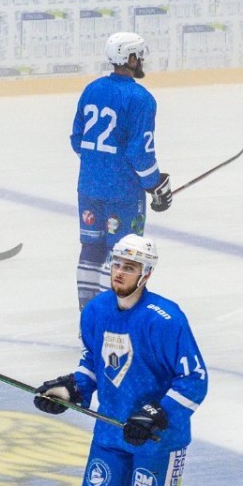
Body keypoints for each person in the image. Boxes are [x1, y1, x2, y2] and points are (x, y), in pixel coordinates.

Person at [33, 235, 206, 486]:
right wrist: (70, 388)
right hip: (111, 433)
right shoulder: (96, 311)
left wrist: (157, 413)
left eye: (129, 267)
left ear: (145, 273)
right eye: (116, 264)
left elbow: (194, 380)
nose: (120, 273)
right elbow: (93, 362)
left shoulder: (166, 319)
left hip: (159, 438)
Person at [71, 32, 172, 309]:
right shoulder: (141, 98)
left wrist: (99, 165)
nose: (141, 61)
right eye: (138, 55)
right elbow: (139, 151)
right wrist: (154, 184)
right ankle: (108, 315)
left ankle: (87, 314)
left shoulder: (92, 89)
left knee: (91, 249)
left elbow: (76, 139)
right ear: (128, 58)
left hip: (89, 188)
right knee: (122, 253)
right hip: (123, 193)